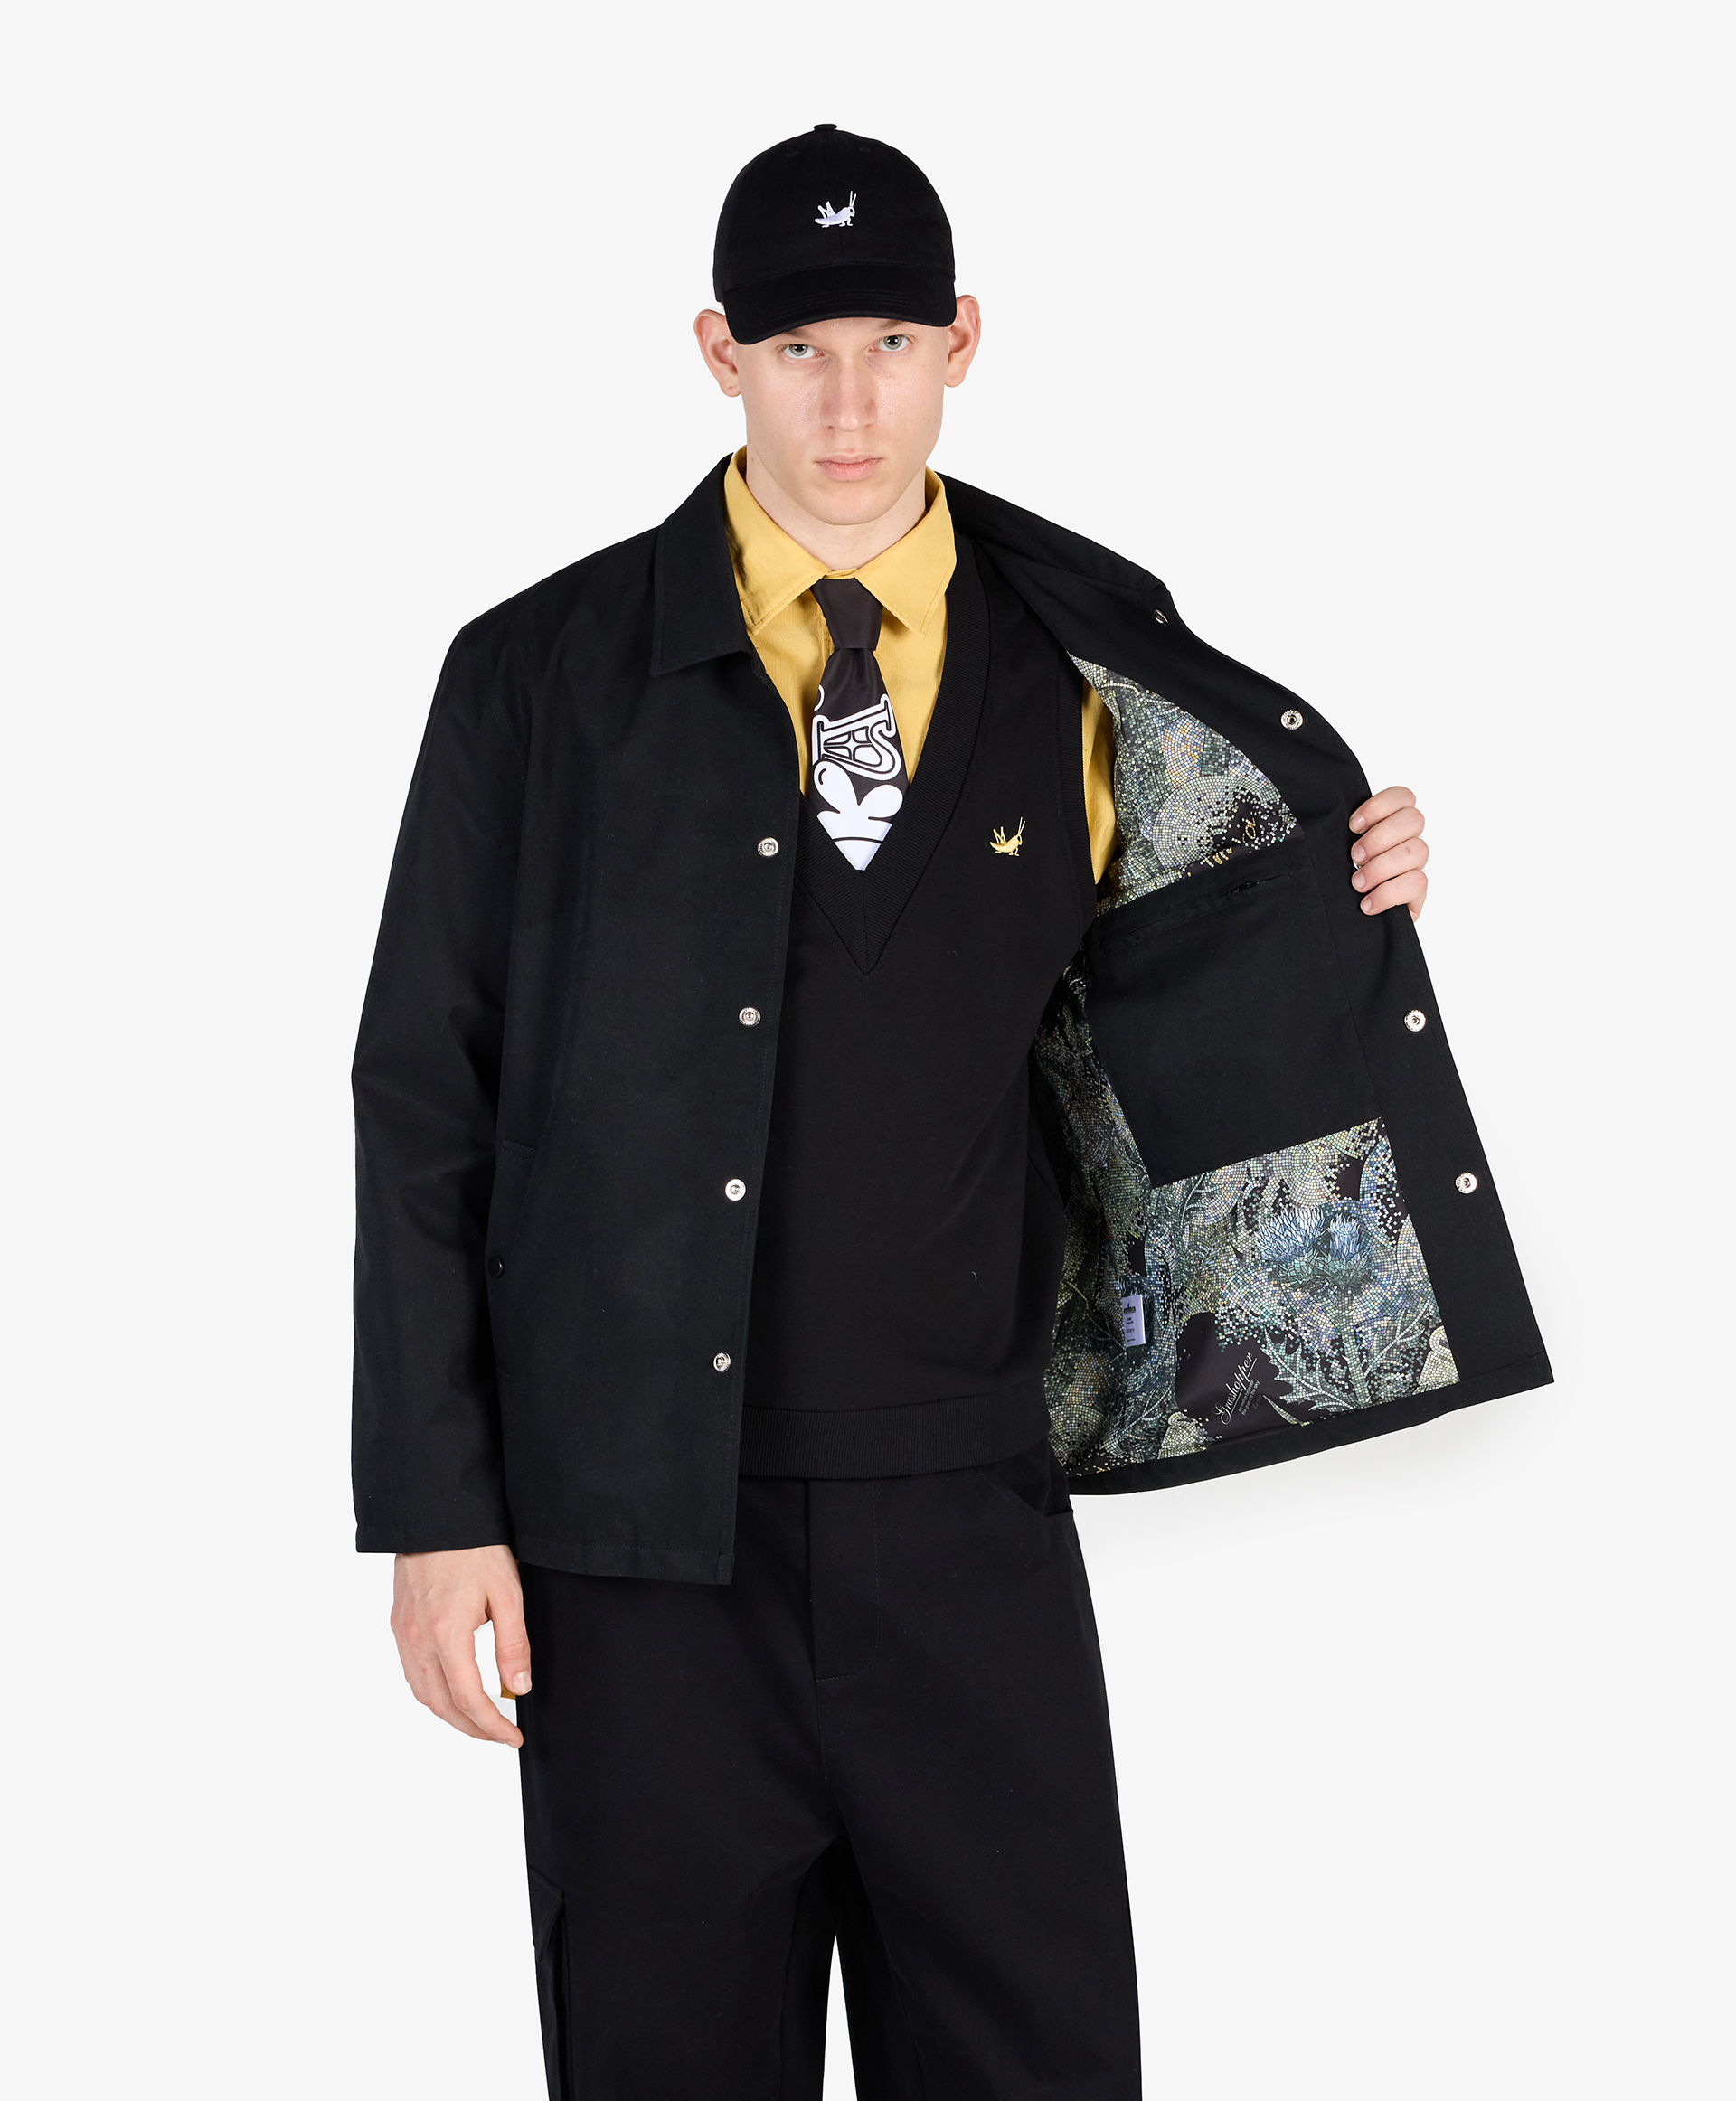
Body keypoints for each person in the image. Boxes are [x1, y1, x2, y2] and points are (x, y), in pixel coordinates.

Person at [353, 126, 1551, 2099]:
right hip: (631, 1553)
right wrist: (434, 1511)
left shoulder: (1078, 663)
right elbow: (422, 1096)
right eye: (800, 349)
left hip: (968, 1529)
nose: (850, 403)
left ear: (964, 342)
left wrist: (1329, 879)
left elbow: (1158, 993)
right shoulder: (533, 681)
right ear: (720, 354)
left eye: (894, 344)